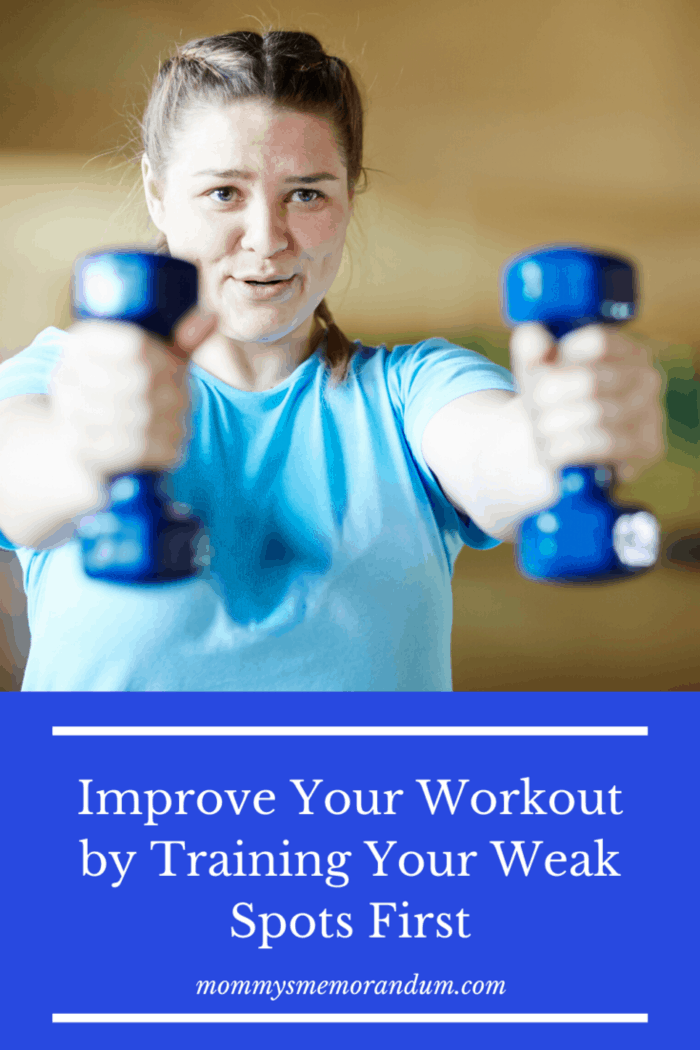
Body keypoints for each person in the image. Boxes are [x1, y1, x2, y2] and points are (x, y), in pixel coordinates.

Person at [0, 30, 662, 692]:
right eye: (224, 193)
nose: (267, 238)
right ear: (156, 192)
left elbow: (500, 456)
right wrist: (90, 449)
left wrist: (562, 435)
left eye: (307, 194)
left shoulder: (413, 392)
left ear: (350, 197)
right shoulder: (61, 378)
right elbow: (17, 478)